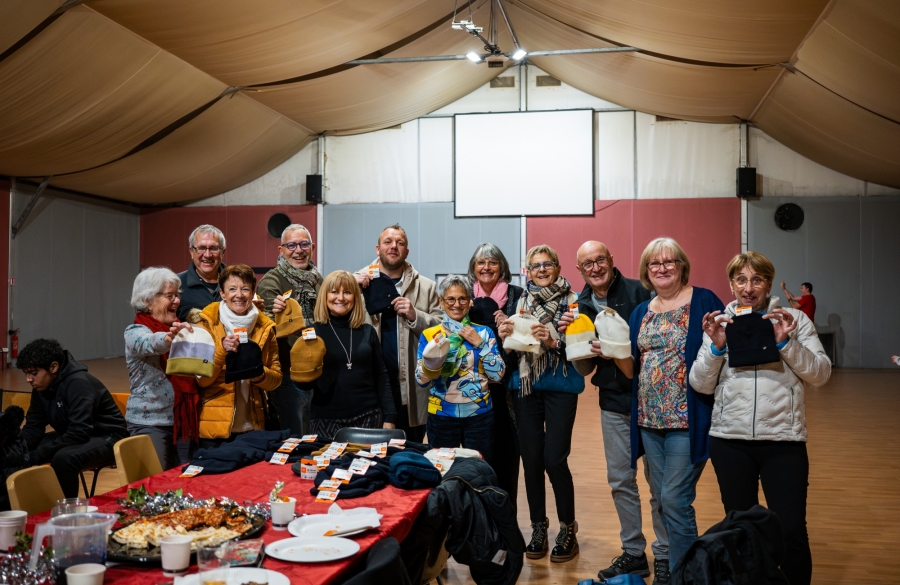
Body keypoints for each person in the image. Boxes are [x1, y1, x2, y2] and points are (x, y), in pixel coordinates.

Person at [690, 251, 831, 585]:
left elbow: (821, 374)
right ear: (731, 284)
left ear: (769, 283)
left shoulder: (794, 320)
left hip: (783, 441)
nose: (748, 287)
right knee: (740, 531)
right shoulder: (721, 322)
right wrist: (716, 349)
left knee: (791, 529)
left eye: (757, 279)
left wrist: (786, 343)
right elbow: (700, 383)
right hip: (730, 442)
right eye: (741, 279)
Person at [558, 241, 668, 583]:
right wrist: (568, 340)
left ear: (611, 259)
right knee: (621, 480)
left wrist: (618, 351)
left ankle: (665, 554)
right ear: (579, 270)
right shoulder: (579, 305)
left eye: (599, 259)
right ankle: (634, 552)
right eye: (587, 263)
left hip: (651, 401)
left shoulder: (640, 291)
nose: (595, 267)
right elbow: (584, 370)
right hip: (613, 403)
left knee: (658, 482)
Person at [628, 237, 724, 576]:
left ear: (682, 266)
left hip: (688, 418)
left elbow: (722, 348)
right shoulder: (641, 310)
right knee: (660, 496)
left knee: (675, 498)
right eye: (655, 263)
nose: (663, 268)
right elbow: (631, 363)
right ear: (646, 271)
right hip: (648, 420)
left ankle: (688, 573)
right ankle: (669, 561)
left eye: (670, 262)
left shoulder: (704, 300)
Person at [498, 244, 582, 563]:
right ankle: (538, 527)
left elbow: (581, 348)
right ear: (528, 272)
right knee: (531, 459)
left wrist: (551, 341)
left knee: (554, 459)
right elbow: (515, 347)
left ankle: (567, 528)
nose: (542, 270)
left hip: (561, 384)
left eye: (548, 264)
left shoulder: (573, 302)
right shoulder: (521, 301)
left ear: (559, 268)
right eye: (536, 266)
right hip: (527, 385)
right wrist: (505, 334)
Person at [7, 339, 128, 497]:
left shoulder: (78, 384)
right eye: (26, 374)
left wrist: (35, 456)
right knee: (15, 452)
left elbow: (79, 431)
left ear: (54, 367)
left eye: (34, 373)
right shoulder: (41, 387)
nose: (28, 379)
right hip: (77, 434)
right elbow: (33, 427)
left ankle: (66, 511)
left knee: (64, 458)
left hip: (108, 436)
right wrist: (15, 449)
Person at [356, 224, 441, 443]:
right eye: (388, 242)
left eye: (400, 243)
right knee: (371, 458)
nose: (393, 246)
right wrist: (352, 287)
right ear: (378, 249)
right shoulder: (356, 283)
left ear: (406, 251)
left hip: (411, 389)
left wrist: (416, 316)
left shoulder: (427, 287)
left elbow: (442, 331)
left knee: (410, 453)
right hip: (369, 388)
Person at [416, 274, 505, 461]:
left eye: (462, 298)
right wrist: (433, 360)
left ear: (470, 301)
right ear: (441, 301)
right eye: (450, 299)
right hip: (441, 417)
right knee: (443, 474)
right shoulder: (430, 335)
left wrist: (480, 344)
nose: (457, 304)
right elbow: (421, 380)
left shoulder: (483, 332)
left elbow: (498, 374)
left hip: (479, 416)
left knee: (479, 472)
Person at [195, 264, 282, 446]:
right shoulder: (207, 324)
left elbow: (276, 380)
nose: (239, 295)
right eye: (232, 289)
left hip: (254, 425)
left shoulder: (265, 328)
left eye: (245, 289)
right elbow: (201, 380)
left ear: (253, 293)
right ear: (222, 293)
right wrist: (221, 351)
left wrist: (260, 375)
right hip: (215, 428)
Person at [467, 243, 523, 502]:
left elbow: (526, 341)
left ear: (502, 267)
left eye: (492, 262)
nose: (486, 267)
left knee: (507, 454)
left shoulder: (517, 296)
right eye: (481, 263)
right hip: (472, 389)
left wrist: (510, 327)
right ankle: (480, 520)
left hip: (507, 389)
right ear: (473, 268)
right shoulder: (464, 296)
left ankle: (506, 519)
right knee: (476, 455)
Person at [125, 267, 196, 469]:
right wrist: (168, 338)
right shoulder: (135, 330)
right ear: (147, 300)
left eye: (177, 295)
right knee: (157, 485)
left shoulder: (180, 329)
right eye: (169, 296)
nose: (176, 301)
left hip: (182, 422)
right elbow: (148, 343)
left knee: (185, 482)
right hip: (150, 424)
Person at [310, 271, 396, 436]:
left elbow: (381, 376)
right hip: (325, 419)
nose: (341, 298)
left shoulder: (367, 331)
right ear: (324, 295)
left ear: (355, 296)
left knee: (369, 463)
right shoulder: (313, 333)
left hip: (369, 417)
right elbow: (304, 384)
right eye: (334, 291)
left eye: (347, 292)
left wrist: (390, 416)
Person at [259, 223, 322, 437]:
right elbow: (268, 330)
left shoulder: (318, 279)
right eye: (292, 245)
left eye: (304, 244)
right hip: (288, 373)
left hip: (317, 371)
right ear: (281, 250)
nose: (299, 250)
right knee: (294, 439)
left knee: (314, 437)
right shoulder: (271, 282)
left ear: (312, 247)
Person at [177, 224, 227, 320]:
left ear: (223, 252)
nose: (207, 255)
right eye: (201, 248)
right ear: (191, 252)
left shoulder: (239, 281)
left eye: (213, 248)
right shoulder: (176, 285)